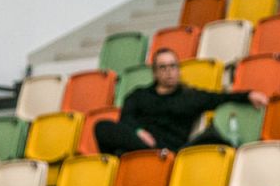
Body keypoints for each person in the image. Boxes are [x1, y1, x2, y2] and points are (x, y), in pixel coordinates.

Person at [92, 48, 267, 157]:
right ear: (155, 72)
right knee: (101, 126)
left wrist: (248, 95)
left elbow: (219, 98)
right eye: (163, 67)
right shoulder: (139, 95)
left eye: (173, 66)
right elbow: (125, 118)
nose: (169, 71)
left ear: (178, 70)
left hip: (168, 152)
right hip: (138, 144)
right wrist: (139, 131)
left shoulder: (190, 97)